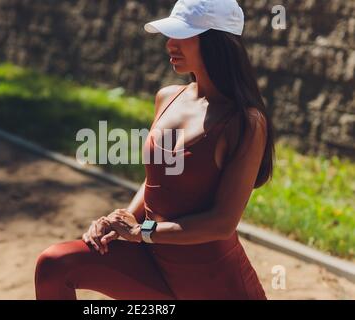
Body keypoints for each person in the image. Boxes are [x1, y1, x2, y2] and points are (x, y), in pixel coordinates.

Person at [34, 0, 275, 300]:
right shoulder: (168, 97)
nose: (169, 44)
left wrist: (142, 232)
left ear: (216, 42)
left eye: (182, 36)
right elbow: (157, 179)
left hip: (214, 283)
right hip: (153, 265)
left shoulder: (245, 122)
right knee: (55, 264)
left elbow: (222, 223)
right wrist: (119, 219)